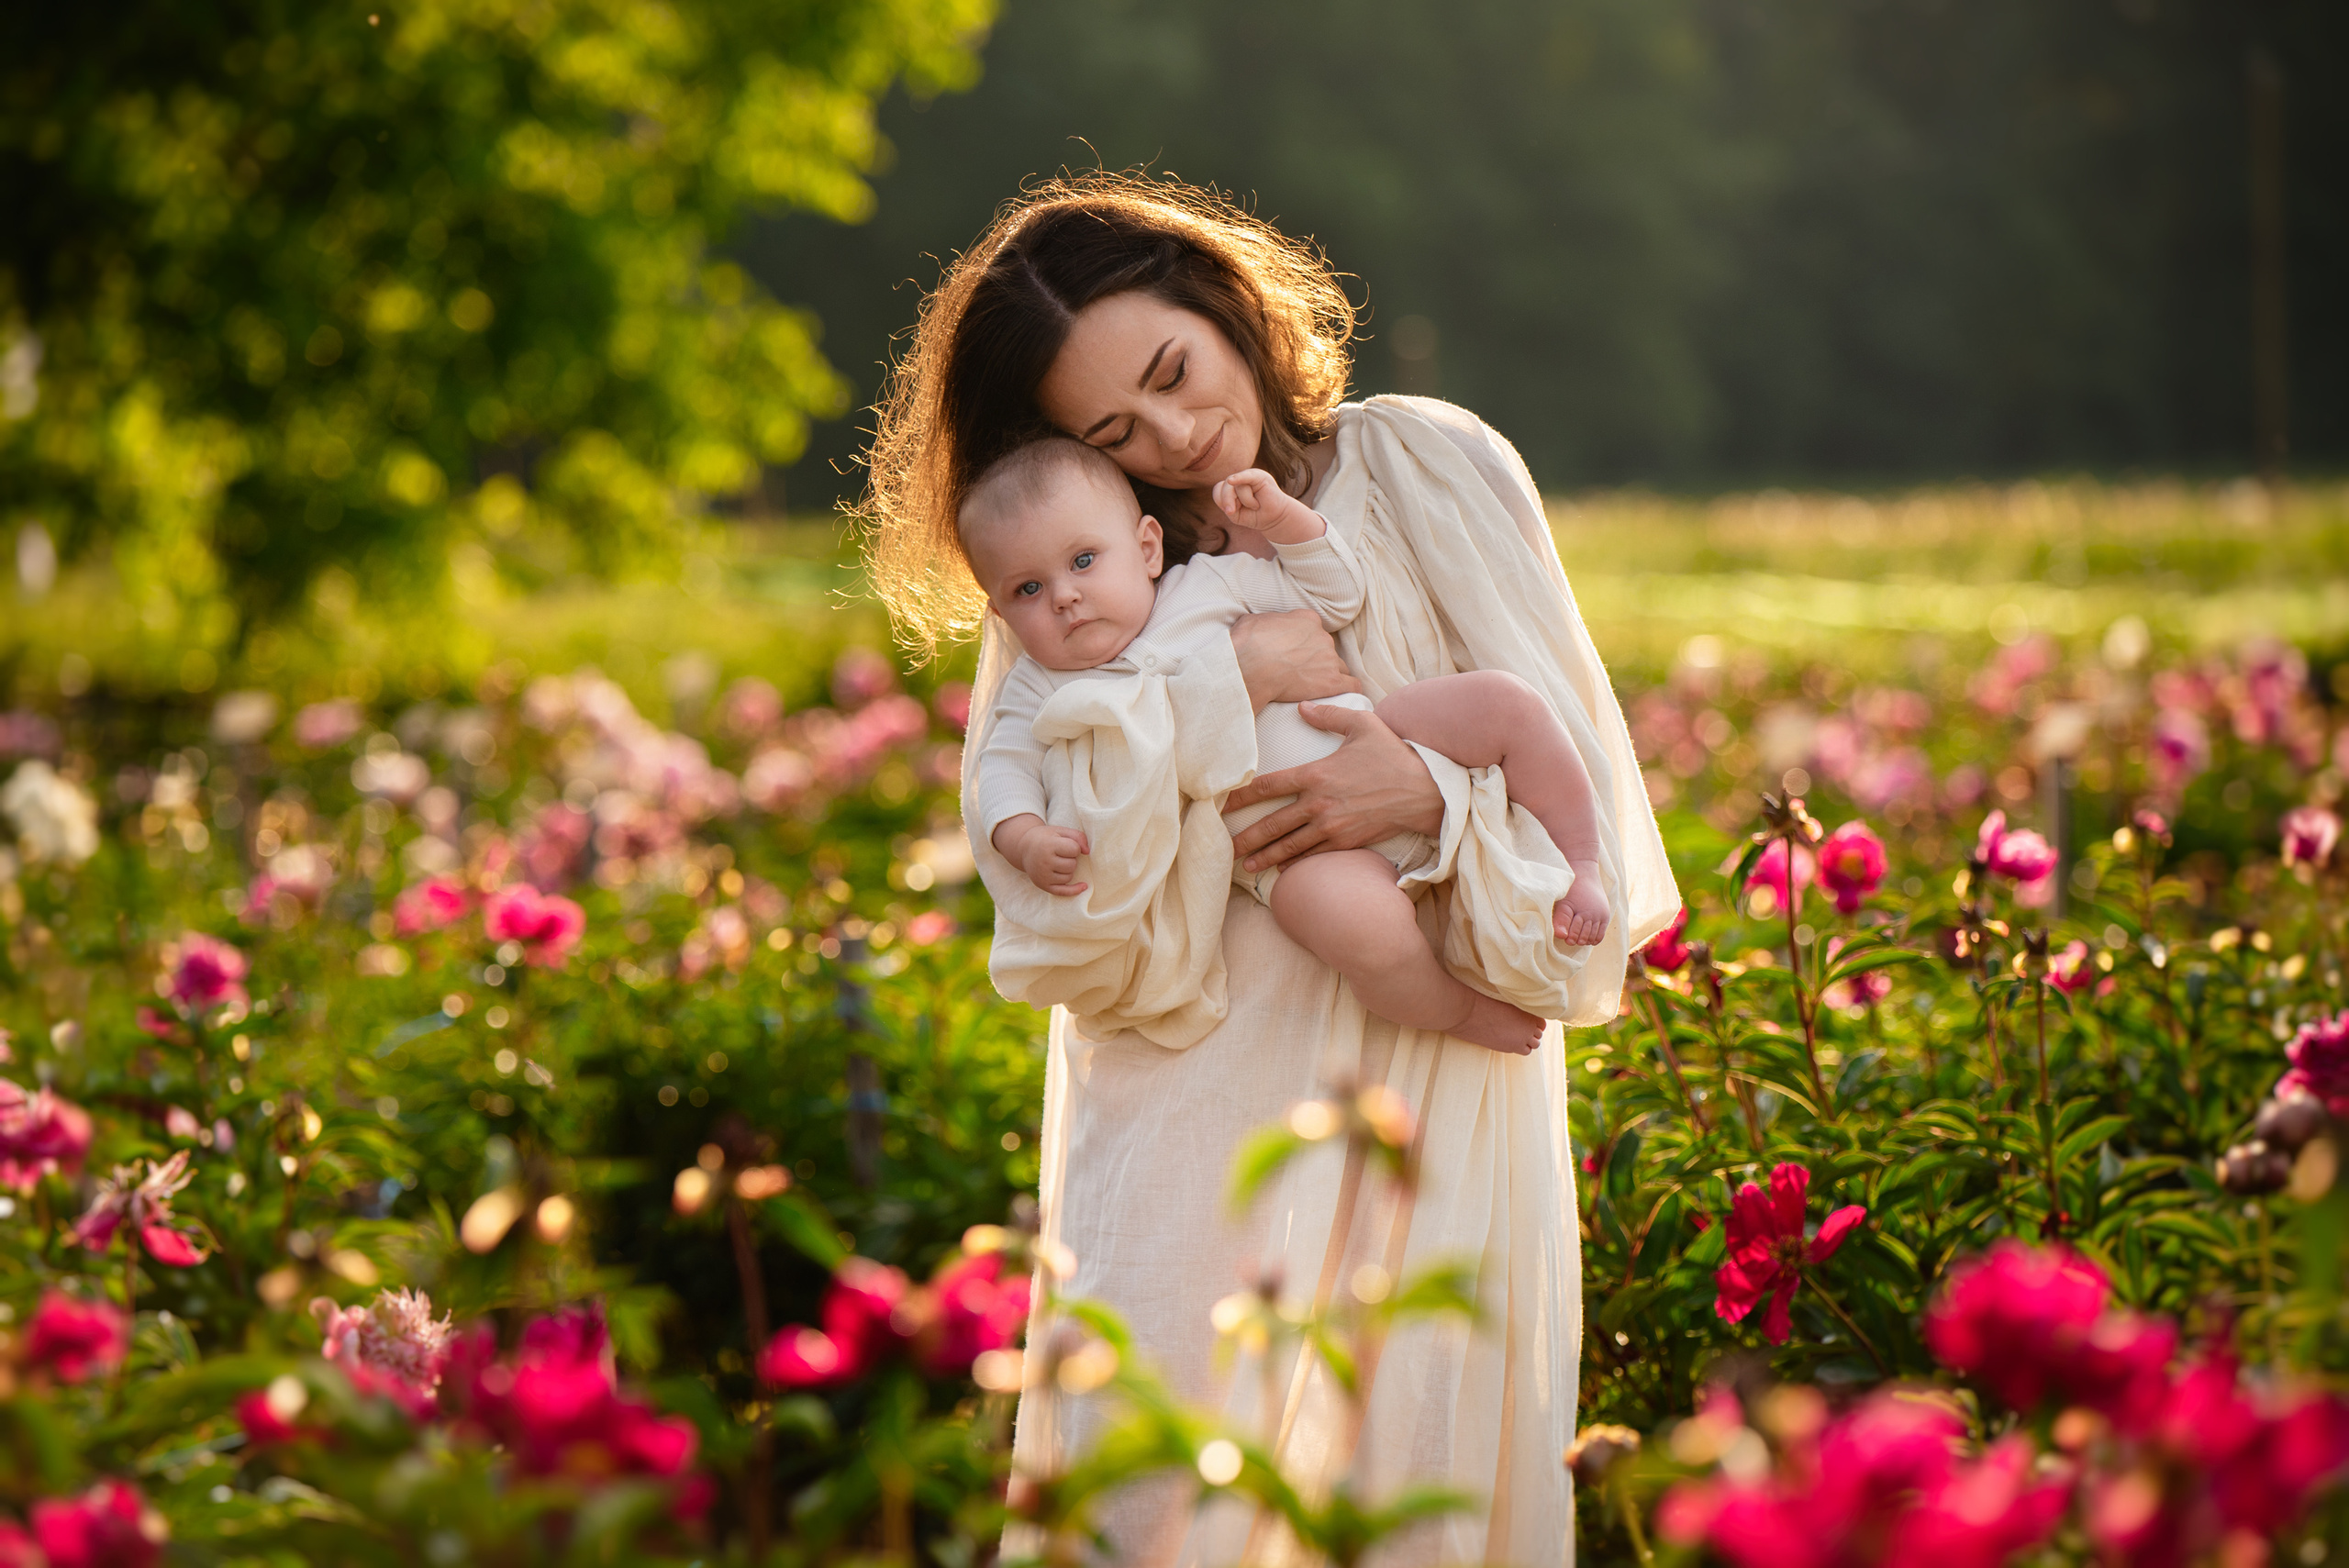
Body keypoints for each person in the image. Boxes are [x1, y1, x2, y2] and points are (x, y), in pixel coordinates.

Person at [863, 172, 1677, 1567]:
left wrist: (1419, 791)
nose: (1177, 439)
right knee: (1152, 1489)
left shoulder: (1433, 466)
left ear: (1224, 301)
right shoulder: (1074, 559)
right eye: (1116, 429)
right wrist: (1223, 687)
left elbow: (1585, 821)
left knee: (1408, 1488)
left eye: (1177, 374)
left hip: (1438, 1101)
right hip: (1195, 1094)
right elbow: (1075, 888)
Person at [962, 436, 1612, 1055]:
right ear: (1000, 612)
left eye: (1083, 561)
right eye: (1028, 589)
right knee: (1363, 931)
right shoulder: (1038, 685)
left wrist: (1285, 521)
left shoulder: (1209, 586)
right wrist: (1021, 835)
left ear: (1148, 548)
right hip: (1288, 851)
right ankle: (1454, 1008)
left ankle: (1582, 857)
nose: (1066, 597)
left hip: (1378, 731)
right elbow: (1004, 767)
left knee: (1504, 702)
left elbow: (1335, 595)